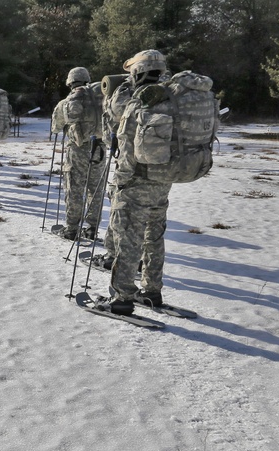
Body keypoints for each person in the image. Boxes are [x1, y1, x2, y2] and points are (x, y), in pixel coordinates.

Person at [104, 49, 174, 315]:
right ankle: (152, 292)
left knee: (129, 240)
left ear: (136, 72)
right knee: (154, 238)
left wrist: (119, 185)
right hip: (162, 183)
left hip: (135, 183)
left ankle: (122, 298)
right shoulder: (172, 100)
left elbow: (124, 142)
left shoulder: (136, 103)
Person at [58, 67, 105, 240]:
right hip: (100, 147)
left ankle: (71, 229)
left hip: (78, 148)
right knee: (96, 189)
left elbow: (63, 120)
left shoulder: (73, 96)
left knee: (75, 188)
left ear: (70, 82)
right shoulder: (101, 94)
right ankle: (92, 228)